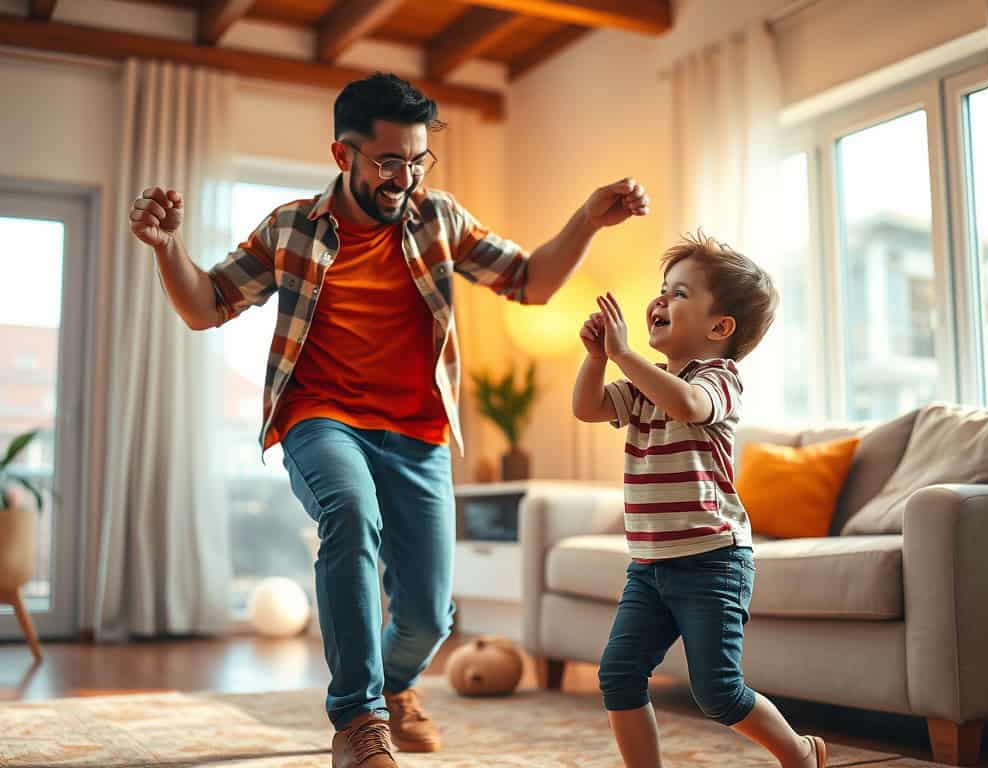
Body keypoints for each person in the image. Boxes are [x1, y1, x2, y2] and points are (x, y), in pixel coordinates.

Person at [128, 72, 649, 768]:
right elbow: (205, 305)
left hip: (417, 434)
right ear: (344, 155)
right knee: (348, 511)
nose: (404, 176)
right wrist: (168, 250)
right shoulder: (291, 227)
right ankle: (358, 721)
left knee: (432, 617)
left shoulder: (439, 219)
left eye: (416, 159)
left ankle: (396, 687)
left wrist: (586, 218)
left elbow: (532, 282)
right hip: (321, 419)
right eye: (389, 161)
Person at [572, 232, 827, 768]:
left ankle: (800, 752)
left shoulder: (719, 378)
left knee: (718, 693)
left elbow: (689, 405)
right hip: (649, 567)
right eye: (662, 289)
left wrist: (624, 353)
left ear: (720, 327)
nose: (661, 300)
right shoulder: (646, 384)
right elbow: (588, 407)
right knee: (619, 675)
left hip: (713, 561)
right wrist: (597, 358)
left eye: (680, 293)